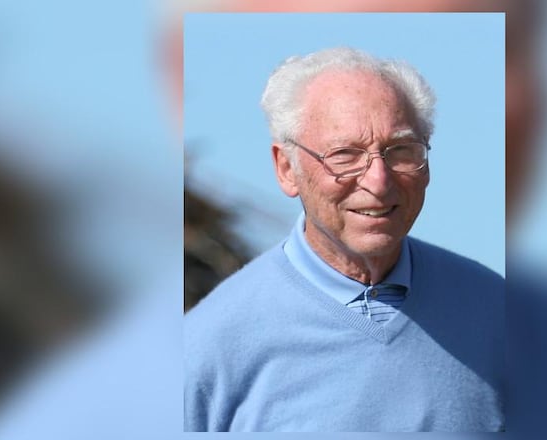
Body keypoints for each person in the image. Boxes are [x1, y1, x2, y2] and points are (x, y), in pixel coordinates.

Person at [184, 47, 504, 432]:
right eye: (345, 155)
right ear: (287, 169)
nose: (378, 181)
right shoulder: (209, 346)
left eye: (401, 150)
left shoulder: (496, 314)